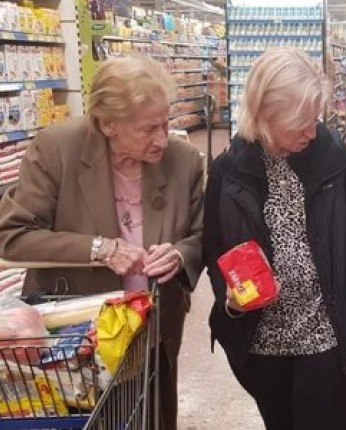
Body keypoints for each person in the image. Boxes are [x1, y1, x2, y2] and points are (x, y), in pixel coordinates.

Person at [202, 47, 346, 430]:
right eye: (299, 124)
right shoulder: (228, 171)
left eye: (314, 119)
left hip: (329, 338)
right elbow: (214, 250)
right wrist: (232, 299)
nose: (312, 131)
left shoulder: (335, 159)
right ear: (265, 117)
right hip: (263, 345)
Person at [0, 56, 204, 429]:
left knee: (151, 414)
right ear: (108, 124)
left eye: (166, 122)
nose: (163, 138)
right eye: (148, 129)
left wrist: (179, 254)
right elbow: (13, 237)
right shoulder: (57, 149)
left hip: (153, 326)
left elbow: (202, 234)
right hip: (75, 334)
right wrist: (99, 249)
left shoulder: (184, 160)